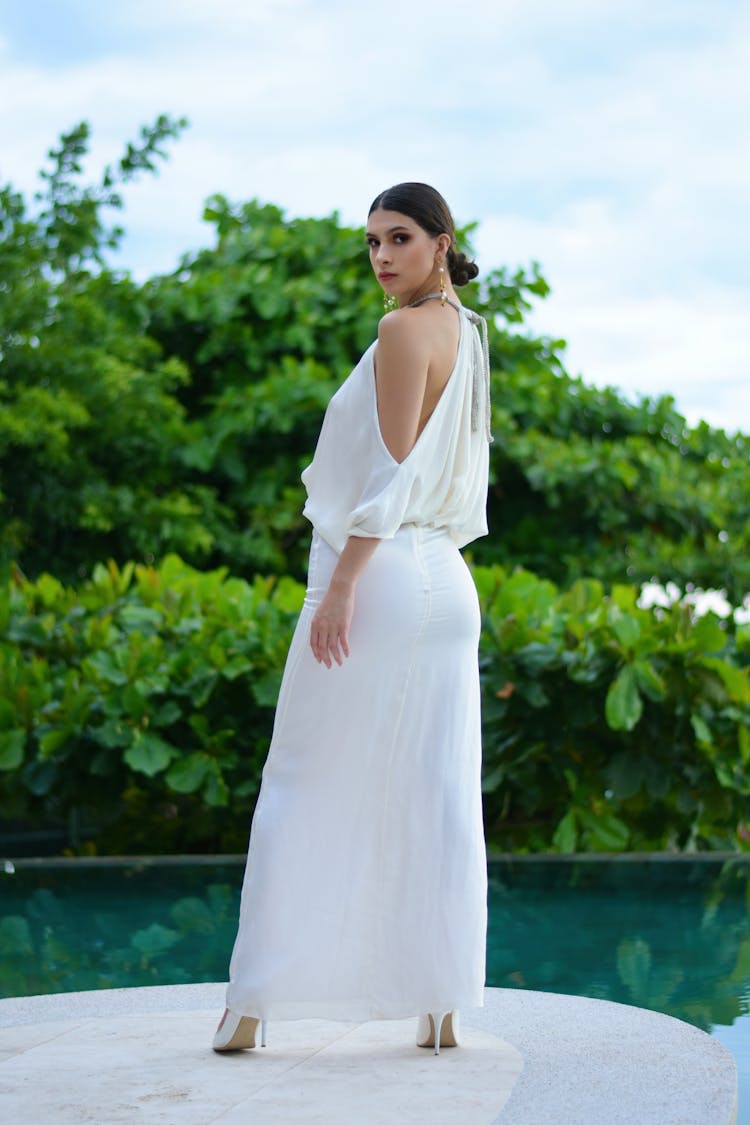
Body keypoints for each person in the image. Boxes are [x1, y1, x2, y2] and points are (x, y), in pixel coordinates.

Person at [213, 182, 492, 1057]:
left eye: (399, 238)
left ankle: (250, 1004)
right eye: (371, 241)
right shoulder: (469, 332)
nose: (381, 256)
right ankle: (441, 1004)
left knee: (302, 778)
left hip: (376, 576)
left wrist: (341, 588)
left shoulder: (403, 330)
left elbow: (392, 474)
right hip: (445, 581)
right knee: (435, 788)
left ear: (441, 243)